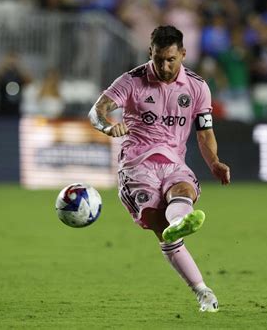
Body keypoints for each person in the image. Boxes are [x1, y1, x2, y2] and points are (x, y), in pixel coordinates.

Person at [88, 25, 230, 313]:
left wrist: (213, 162)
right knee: (161, 225)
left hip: (174, 162)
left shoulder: (197, 86)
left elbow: (204, 133)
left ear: (183, 54)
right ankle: (202, 290)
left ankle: (181, 221)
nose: (164, 66)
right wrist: (107, 126)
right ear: (149, 53)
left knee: (184, 190)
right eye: (158, 59)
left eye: (171, 60)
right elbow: (97, 111)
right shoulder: (132, 81)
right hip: (137, 166)